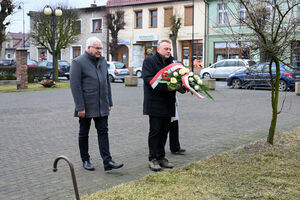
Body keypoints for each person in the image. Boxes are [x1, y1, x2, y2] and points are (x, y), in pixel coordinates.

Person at [70, 36, 123, 171]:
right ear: (89, 48)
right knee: (84, 133)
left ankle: (107, 161)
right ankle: (85, 160)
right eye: (97, 48)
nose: (100, 50)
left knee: (103, 132)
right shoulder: (78, 62)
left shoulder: (103, 61)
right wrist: (80, 107)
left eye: (100, 48)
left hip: (102, 104)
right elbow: (75, 87)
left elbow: (107, 83)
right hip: (86, 106)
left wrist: (109, 101)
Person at [142, 39, 177, 171]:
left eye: (169, 49)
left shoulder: (172, 63)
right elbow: (149, 80)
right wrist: (166, 88)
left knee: (164, 131)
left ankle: (161, 156)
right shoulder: (149, 61)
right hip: (154, 104)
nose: (168, 51)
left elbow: (177, 79)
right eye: (166, 49)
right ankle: (152, 159)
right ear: (158, 49)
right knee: (155, 131)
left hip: (168, 103)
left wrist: (181, 86)